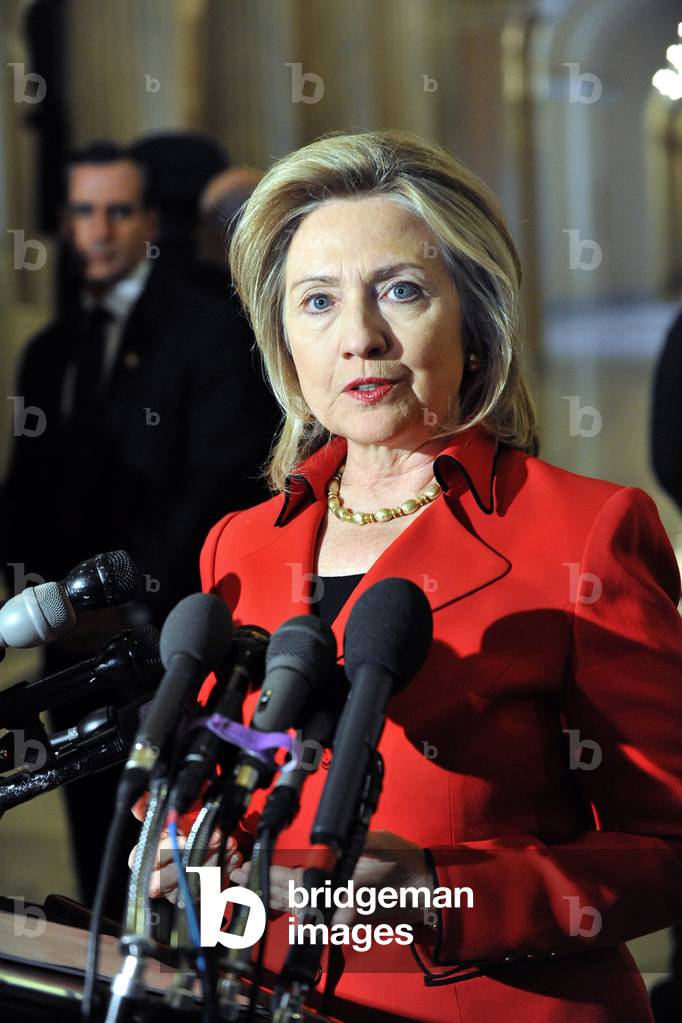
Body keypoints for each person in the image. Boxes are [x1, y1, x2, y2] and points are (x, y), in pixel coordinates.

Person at [142, 129, 682, 1023]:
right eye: (317, 301)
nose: (358, 336)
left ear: (473, 322)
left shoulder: (587, 531)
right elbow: (232, 774)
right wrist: (182, 849)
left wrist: (437, 890)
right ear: (284, 342)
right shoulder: (236, 547)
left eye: (400, 290)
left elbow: (669, 844)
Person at [1, 140, 277, 914]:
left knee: (158, 871)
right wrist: (39, 596)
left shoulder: (206, 331)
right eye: (84, 212)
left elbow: (215, 484)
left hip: (156, 641)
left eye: (118, 211)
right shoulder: (52, 349)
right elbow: (23, 493)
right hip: (62, 641)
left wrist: (124, 598)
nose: (100, 229)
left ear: (150, 222)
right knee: (93, 859)